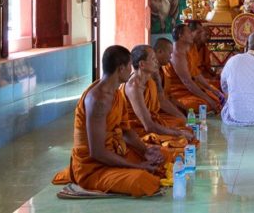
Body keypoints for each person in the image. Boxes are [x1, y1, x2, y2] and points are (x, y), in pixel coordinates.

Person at [52, 46, 164, 196]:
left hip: (115, 152)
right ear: (121, 69)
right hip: (94, 167)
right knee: (142, 180)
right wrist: (135, 166)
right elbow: (97, 152)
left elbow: (126, 132)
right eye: (130, 65)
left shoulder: (116, 93)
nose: (132, 69)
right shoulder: (98, 100)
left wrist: (146, 151)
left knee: (162, 158)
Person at [120, 45, 193, 149]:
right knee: (178, 142)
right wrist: (177, 133)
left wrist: (180, 122)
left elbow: (161, 100)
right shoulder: (134, 87)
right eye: (153, 59)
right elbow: (148, 126)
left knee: (182, 126)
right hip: (137, 130)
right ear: (142, 64)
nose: (156, 62)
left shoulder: (150, 80)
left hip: (153, 121)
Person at [161, 24, 221, 113]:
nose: (192, 35)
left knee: (215, 98)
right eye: (189, 32)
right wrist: (209, 100)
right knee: (204, 105)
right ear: (180, 36)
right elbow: (187, 82)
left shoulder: (187, 51)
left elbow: (196, 74)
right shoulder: (177, 55)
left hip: (186, 89)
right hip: (177, 92)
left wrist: (211, 89)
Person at [187, 22, 224, 94]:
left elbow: (207, 66)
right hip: (193, 79)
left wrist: (215, 75)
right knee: (215, 85)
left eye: (210, 35)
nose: (208, 37)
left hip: (200, 76)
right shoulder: (186, 48)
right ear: (190, 32)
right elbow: (192, 74)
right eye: (199, 32)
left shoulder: (201, 48)